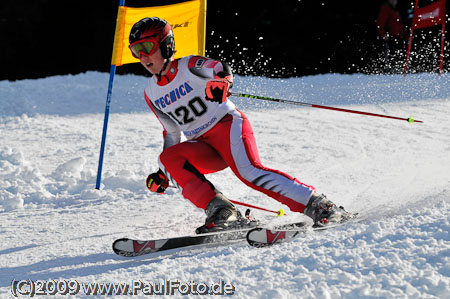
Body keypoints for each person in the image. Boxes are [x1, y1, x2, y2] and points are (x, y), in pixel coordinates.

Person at [130, 17, 348, 233]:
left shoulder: (188, 66)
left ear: (166, 45)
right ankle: (223, 212)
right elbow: (171, 132)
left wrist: (222, 81)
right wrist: (163, 173)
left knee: (249, 172)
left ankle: (320, 205)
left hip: (227, 126)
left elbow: (219, 67)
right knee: (168, 159)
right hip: (203, 145)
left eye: (147, 47)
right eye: (135, 50)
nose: (141, 56)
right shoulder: (151, 93)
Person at [376, 0, 408, 72]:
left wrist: (405, 36)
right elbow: (380, 23)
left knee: (400, 54)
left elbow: (400, 25)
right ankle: (391, 70)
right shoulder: (386, 8)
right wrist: (383, 34)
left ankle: (399, 69)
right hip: (391, 36)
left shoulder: (396, 10)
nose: (394, 1)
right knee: (393, 55)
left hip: (399, 36)